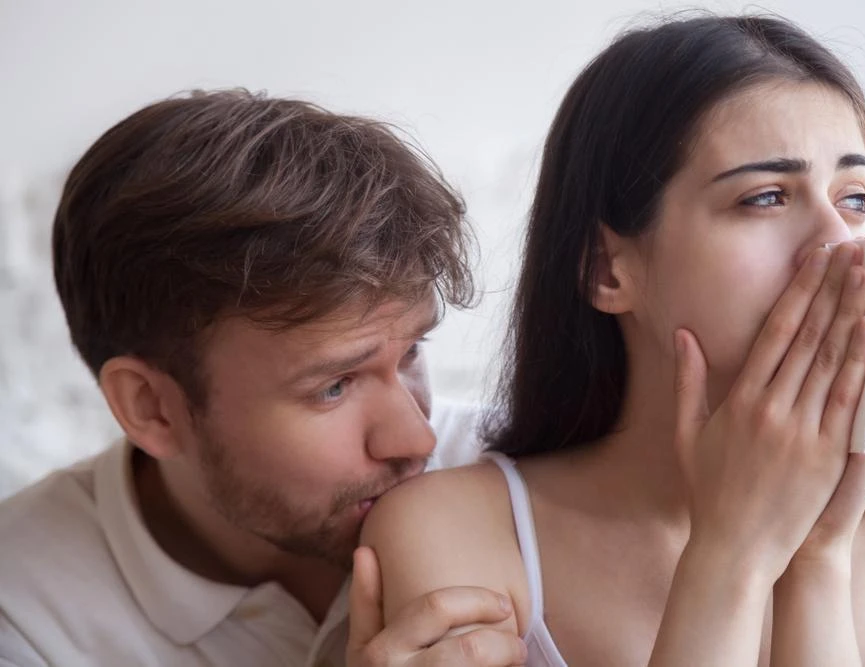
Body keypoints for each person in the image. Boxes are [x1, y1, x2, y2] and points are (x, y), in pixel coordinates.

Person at [361, 14, 865, 667]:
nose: (840, 242)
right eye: (767, 197)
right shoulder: (456, 532)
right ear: (606, 269)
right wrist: (733, 555)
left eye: (857, 198)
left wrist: (817, 554)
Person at [0, 90, 528, 666]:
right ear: (152, 407)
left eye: (411, 354)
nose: (417, 440)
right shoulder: (24, 615)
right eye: (335, 385)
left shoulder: (517, 476)